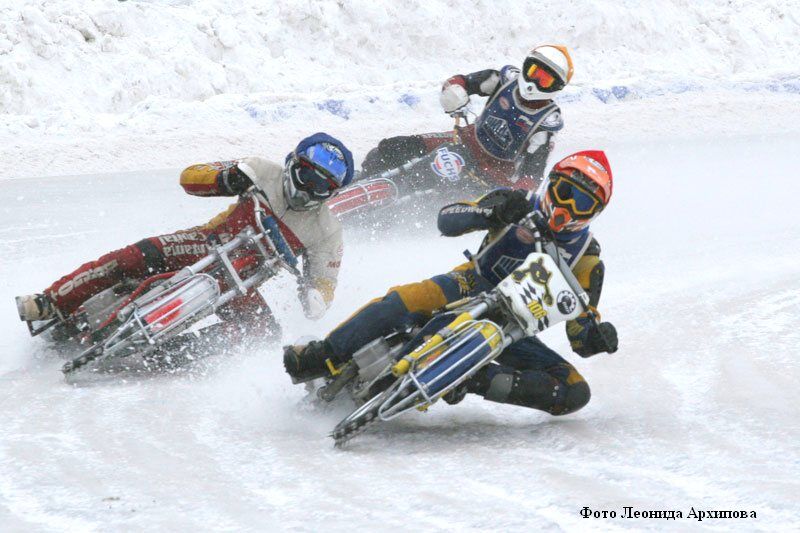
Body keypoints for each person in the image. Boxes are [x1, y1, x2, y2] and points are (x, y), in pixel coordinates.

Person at [285, 150, 618, 416]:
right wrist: (492, 214)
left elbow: (580, 331)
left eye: (583, 203)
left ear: (595, 213)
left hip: (512, 329)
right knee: (406, 299)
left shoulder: (587, 259)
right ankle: (323, 354)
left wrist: (597, 338)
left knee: (575, 391)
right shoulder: (516, 202)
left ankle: (473, 379)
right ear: (551, 184)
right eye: (564, 192)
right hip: (470, 283)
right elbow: (448, 218)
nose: (568, 206)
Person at [16, 132, 354, 344]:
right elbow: (190, 177)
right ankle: (50, 302)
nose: (310, 189)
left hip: (241, 282)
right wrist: (225, 179)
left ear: (331, 193)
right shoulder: (260, 170)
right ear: (293, 163)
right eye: (307, 175)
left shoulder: (327, 231)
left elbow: (326, 281)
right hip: (201, 244)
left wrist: (316, 297)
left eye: (322, 186)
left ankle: (177, 354)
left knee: (263, 338)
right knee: (135, 256)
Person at [360, 45, 573, 191]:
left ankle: (386, 213)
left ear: (555, 87)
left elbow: (532, 176)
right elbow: (462, 81)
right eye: (534, 71)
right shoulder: (504, 79)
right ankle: (359, 181)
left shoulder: (545, 124)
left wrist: (516, 195)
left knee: (426, 178)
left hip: (491, 176)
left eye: (544, 80)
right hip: (464, 140)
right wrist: (453, 91)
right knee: (391, 148)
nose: (534, 81)